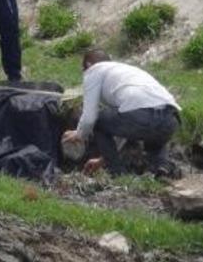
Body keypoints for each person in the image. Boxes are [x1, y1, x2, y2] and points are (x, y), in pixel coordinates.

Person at [62, 49, 182, 178]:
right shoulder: (125, 71)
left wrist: (79, 134)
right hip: (170, 119)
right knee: (154, 144)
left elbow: (90, 118)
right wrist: (103, 160)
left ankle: (117, 173)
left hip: (141, 116)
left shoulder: (93, 71)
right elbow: (121, 128)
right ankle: (163, 167)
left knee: (99, 121)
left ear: (88, 65)